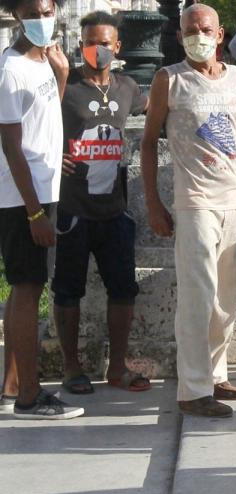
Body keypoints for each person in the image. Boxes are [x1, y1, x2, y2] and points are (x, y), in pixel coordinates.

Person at [141, 3, 236, 418]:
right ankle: (192, 389)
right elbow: (147, 142)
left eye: (205, 28)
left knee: (227, 296)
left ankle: (216, 373)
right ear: (179, 36)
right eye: (190, 30)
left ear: (220, 33)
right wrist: (155, 203)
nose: (198, 35)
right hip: (194, 201)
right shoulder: (169, 80)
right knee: (197, 294)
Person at [53, 10, 150, 396]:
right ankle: (71, 367)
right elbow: (28, 122)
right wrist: (48, 154)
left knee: (124, 290)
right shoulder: (65, 87)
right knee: (66, 292)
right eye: (91, 43)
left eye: (105, 44)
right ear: (81, 47)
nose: (98, 50)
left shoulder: (127, 88)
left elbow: (158, 105)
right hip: (72, 212)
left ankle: (117, 366)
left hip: (114, 211)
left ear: (118, 47)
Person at [0, 0, 80, 420]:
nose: (43, 17)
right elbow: (11, 143)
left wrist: (62, 75)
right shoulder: (12, 69)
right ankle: (30, 396)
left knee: (23, 287)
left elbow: (44, 116)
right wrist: (33, 213)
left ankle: (13, 385)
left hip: (42, 189)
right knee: (29, 290)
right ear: (16, 14)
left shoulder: (45, 62)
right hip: (21, 197)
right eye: (33, 10)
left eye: (48, 8)